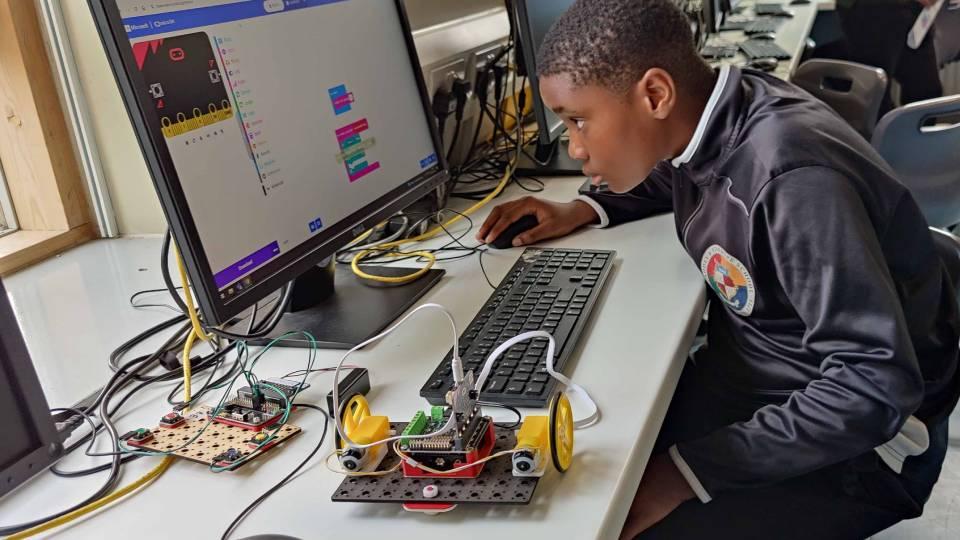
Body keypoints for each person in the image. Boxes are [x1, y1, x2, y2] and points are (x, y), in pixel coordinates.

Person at [476, 0, 960, 538]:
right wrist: (584, 207)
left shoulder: (793, 180)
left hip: (862, 446)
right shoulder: (719, 111)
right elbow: (684, 168)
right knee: (581, 466)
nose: (575, 145)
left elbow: (874, 386)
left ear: (655, 95)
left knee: (604, 517)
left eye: (579, 120)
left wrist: (684, 475)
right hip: (765, 371)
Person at [837, 0, 944, 116]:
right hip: (873, 8)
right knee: (876, 98)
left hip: (914, 9)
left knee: (927, 92)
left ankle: (911, 133)